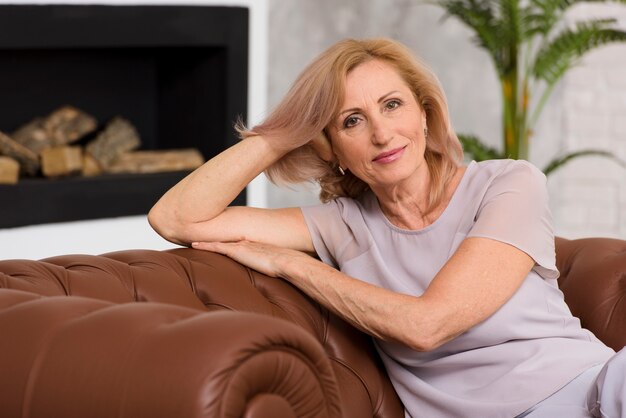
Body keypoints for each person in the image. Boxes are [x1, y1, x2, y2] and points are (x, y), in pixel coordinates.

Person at [148, 38, 624, 418]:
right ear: (330, 147)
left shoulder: (507, 184)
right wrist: (284, 130)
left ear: (424, 112)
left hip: (596, 390)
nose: (381, 133)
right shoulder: (342, 226)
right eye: (351, 120)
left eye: (392, 105)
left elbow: (427, 324)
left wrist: (291, 265)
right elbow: (175, 218)